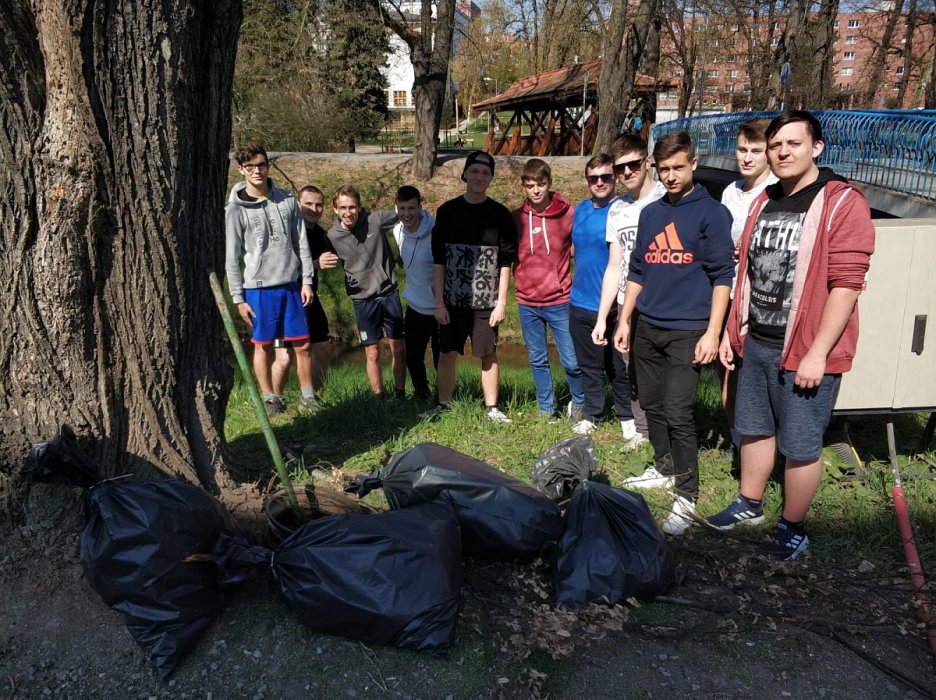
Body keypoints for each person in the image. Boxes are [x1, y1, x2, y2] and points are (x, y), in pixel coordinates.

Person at [705, 111, 875, 561]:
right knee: (755, 428)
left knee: (800, 442)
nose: (783, 152)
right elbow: (746, 268)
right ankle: (749, 503)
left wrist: (818, 353)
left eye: (793, 144)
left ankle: (793, 526)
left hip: (804, 348)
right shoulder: (765, 200)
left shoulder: (842, 202)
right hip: (757, 339)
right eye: (776, 145)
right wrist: (731, 329)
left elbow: (847, 283)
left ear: (816, 148)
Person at [614, 131, 734, 535]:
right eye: (664, 169)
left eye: (678, 167)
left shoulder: (711, 214)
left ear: (694, 164)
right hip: (648, 325)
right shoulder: (650, 213)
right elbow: (637, 271)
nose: (670, 176)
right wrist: (625, 320)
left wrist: (713, 333)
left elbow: (722, 276)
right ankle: (663, 467)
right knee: (650, 402)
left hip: (689, 329)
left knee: (679, 411)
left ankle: (687, 496)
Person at [224, 142, 316, 416]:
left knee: (302, 344)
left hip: (290, 285)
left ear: (268, 165)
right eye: (250, 166)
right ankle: (269, 398)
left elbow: (302, 243)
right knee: (262, 346)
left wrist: (307, 279)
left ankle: (309, 398)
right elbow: (232, 258)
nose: (257, 171)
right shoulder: (235, 211)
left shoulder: (287, 200)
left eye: (261, 164)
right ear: (241, 169)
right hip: (258, 290)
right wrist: (238, 298)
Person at [428, 151, 518, 422]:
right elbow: (439, 261)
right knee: (446, 353)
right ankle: (443, 405)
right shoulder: (447, 212)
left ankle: (492, 409)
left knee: (488, 355)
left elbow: (505, 262)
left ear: (491, 178)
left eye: (485, 172)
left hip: (486, 303)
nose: (479, 177)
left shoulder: (501, 215)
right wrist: (439, 303)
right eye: (475, 171)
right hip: (452, 302)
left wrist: (501, 302)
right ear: (465, 174)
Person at [591, 133, 666, 449]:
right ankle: (642, 431)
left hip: (663, 303)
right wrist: (601, 318)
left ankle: (670, 433)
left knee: (665, 372)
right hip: (625, 304)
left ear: (646, 161)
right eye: (619, 169)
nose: (626, 173)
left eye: (633, 164)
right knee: (630, 368)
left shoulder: (667, 197)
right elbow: (614, 266)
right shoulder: (617, 208)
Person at [717, 118, 778, 462]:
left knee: (757, 377)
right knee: (727, 372)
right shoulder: (730, 191)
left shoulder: (776, 192)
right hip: (728, 294)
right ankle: (736, 440)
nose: (748, 157)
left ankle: (765, 445)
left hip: (760, 301)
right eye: (742, 149)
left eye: (756, 151)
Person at [511, 158, 584, 420]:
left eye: (540, 184)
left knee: (572, 361)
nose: (536, 190)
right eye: (530, 185)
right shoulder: (516, 219)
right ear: (524, 187)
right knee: (538, 360)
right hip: (527, 302)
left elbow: (579, 247)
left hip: (559, 300)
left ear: (549, 183)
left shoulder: (569, 213)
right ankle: (546, 409)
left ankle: (579, 403)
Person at [568, 154, 633, 437]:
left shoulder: (625, 209)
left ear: (615, 178)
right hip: (581, 302)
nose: (600, 183)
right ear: (586, 181)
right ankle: (593, 414)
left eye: (606, 177)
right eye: (593, 178)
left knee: (618, 366)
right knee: (589, 366)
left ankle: (627, 417)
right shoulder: (580, 210)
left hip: (615, 304)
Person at [326, 185, 406, 399]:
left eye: (352, 207)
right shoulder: (332, 237)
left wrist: (405, 253)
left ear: (360, 207)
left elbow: (407, 215)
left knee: (398, 347)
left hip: (388, 294)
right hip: (363, 301)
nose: (348, 212)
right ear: (335, 209)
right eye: (342, 208)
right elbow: (310, 255)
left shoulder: (376, 220)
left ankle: (400, 394)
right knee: (372, 351)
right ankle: (378, 396)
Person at [272, 185, 338, 403]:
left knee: (322, 348)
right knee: (284, 357)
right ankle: (275, 400)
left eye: (318, 204)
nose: (314, 208)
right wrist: (316, 263)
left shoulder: (320, 234)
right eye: (308, 204)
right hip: (286, 297)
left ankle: (314, 399)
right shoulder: (287, 231)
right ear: (298, 205)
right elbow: (281, 266)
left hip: (311, 297)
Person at [391, 185, 439, 402]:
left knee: (441, 359)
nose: (407, 214)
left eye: (412, 208)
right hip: (415, 306)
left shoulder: (436, 232)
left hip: (439, 307)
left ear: (420, 207)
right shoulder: (397, 230)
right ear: (396, 208)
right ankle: (421, 395)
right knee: (412, 357)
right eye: (402, 208)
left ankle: (444, 397)